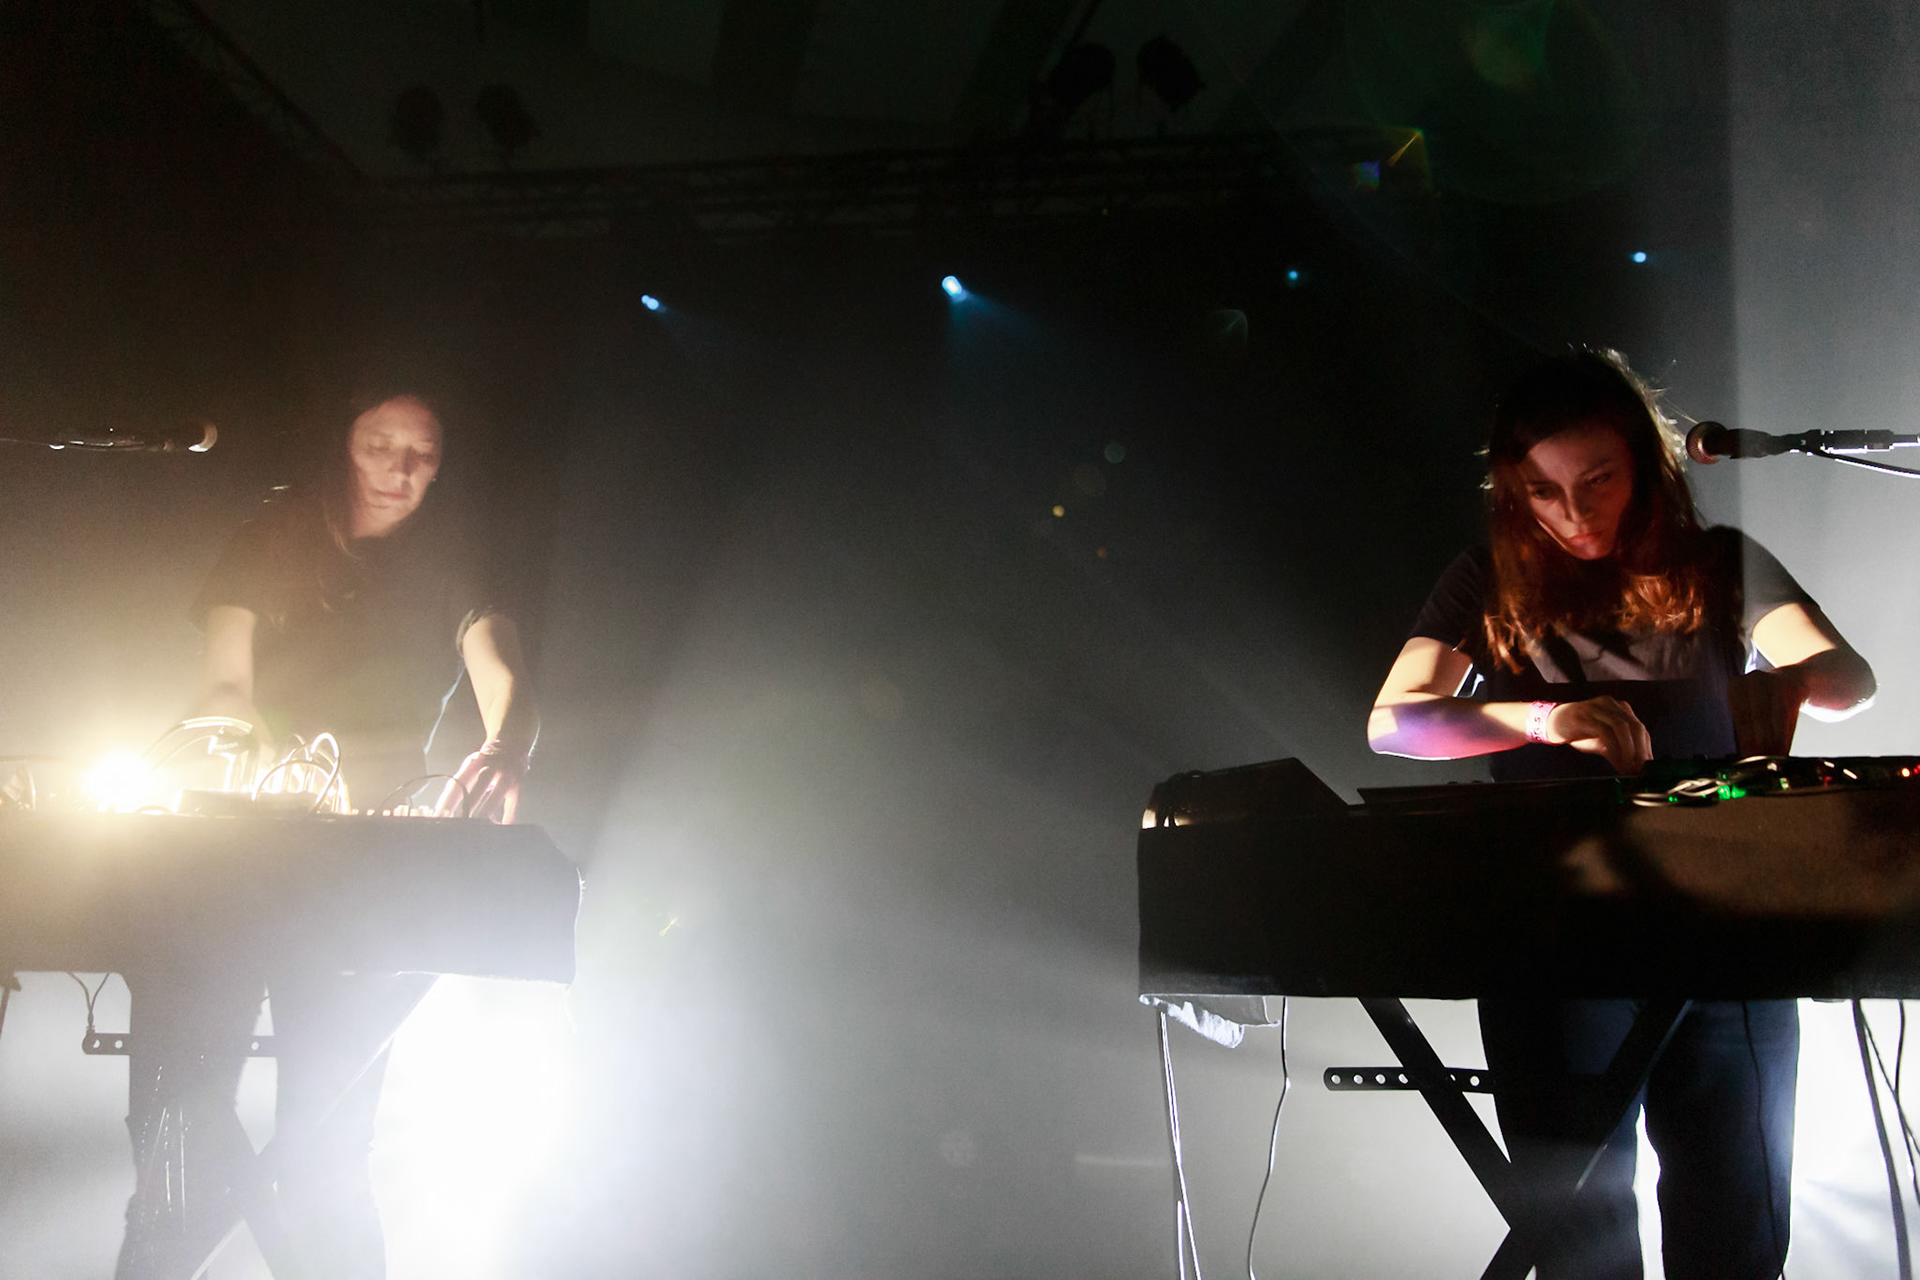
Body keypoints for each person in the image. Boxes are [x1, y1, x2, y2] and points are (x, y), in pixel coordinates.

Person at [1367, 350, 1875, 1279]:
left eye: (1597, 479)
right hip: (1557, 931)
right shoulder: (1485, 577)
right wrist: (1542, 719)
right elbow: (1394, 723)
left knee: (1737, 1228)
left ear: (1646, 463)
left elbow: (1851, 677)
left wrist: (1794, 683)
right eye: (1543, 491)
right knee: (1582, 1239)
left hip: (1727, 917)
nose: (1573, 512)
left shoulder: (1719, 564)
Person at [117, 389, 539, 1279]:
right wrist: (238, 740)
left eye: (423, 451)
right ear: (342, 441)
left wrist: (506, 747)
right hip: (238, 840)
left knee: (328, 1152)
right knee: (176, 1136)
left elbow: (501, 672)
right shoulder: (269, 533)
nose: (400, 469)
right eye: (380, 443)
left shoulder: (452, 561)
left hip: (368, 857)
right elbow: (224, 684)